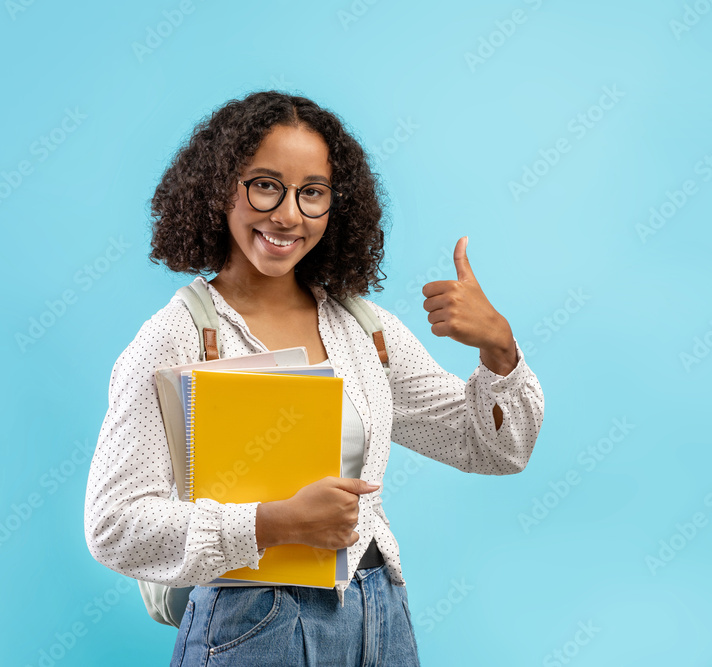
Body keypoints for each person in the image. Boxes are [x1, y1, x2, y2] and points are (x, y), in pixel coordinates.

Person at [83, 90, 545, 666]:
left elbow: (491, 450)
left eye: (313, 193)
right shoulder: (174, 338)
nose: (288, 214)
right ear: (221, 186)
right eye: (265, 184)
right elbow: (114, 525)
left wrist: (498, 348)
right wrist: (272, 522)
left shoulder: (363, 329)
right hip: (251, 624)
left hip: (379, 616)